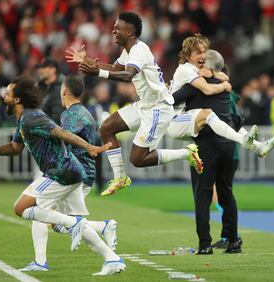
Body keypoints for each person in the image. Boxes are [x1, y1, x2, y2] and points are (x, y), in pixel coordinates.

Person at [0, 77, 126, 276]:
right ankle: (112, 258)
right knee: (68, 223)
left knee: (22, 208)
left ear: (17, 100)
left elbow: (61, 133)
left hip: (61, 172)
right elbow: (15, 148)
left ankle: (70, 228)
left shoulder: (32, 117)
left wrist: (89, 147)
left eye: (7, 93)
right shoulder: (23, 118)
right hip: (70, 172)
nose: (4, 96)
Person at [65, 11, 203, 197]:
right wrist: (86, 61)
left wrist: (97, 72)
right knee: (106, 127)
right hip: (145, 105)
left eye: (117, 28)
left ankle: (187, 153)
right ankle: (120, 177)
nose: (113, 31)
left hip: (158, 108)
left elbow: (128, 75)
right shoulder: (129, 50)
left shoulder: (139, 50)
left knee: (138, 159)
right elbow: (115, 69)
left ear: (129, 32)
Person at [21, 75, 118, 272]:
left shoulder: (71, 114)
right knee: (58, 221)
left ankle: (41, 262)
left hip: (74, 174)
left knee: (46, 212)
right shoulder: (84, 111)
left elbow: (64, 137)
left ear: (63, 91)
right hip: (78, 172)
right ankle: (104, 230)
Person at [171, 48, 241, 255]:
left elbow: (172, 99)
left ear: (204, 66)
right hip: (228, 145)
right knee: (226, 193)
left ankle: (205, 245)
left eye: (200, 63)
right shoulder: (226, 88)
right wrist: (220, 78)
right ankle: (233, 242)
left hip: (206, 144)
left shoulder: (194, 86)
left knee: (202, 195)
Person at [168, 45, 274, 157]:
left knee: (226, 118)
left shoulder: (198, 76)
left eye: (203, 53)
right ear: (189, 57)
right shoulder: (190, 77)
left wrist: (213, 74)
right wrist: (224, 86)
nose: (202, 57)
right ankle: (245, 141)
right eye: (199, 53)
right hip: (176, 121)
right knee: (211, 115)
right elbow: (208, 89)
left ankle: (257, 146)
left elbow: (223, 77)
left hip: (199, 132)